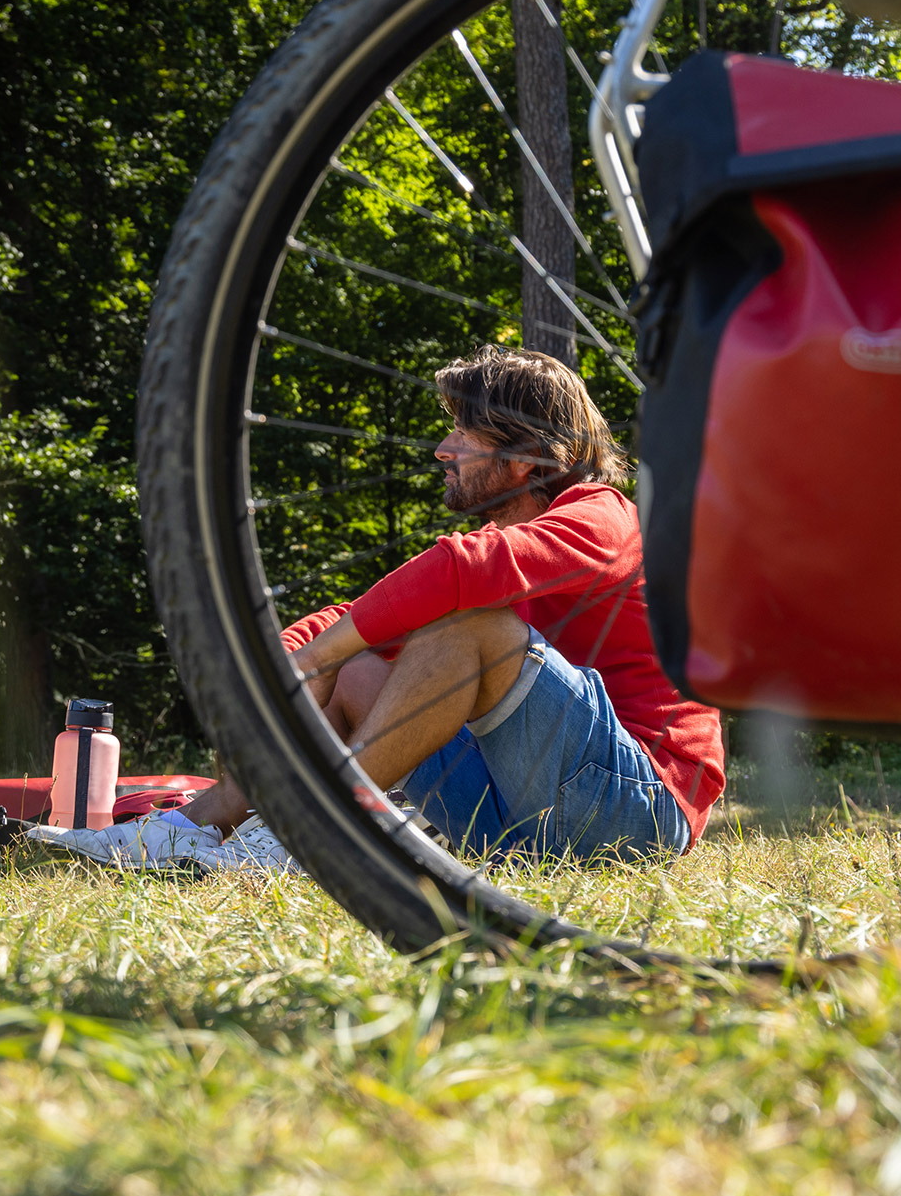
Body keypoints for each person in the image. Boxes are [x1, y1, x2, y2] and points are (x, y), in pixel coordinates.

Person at [164, 344, 723, 861]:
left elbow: (459, 573)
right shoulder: (495, 552)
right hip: (515, 816)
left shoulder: (604, 517)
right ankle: (196, 827)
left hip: (640, 809)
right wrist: (280, 664)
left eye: (463, 432)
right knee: (359, 670)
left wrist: (315, 660)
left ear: (526, 454)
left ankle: (323, 831)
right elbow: (366, 619)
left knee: (465, 625)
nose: (442, 449)